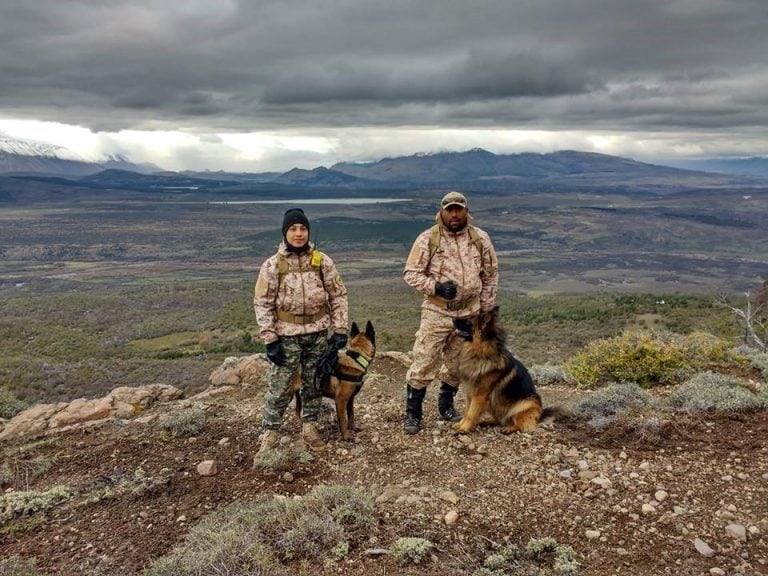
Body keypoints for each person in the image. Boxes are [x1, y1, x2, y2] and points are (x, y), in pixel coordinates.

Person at [253, 208, 349, 455]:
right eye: (293, 229)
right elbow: (262, 302)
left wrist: (339, 328)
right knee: (281, 385)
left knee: (313, 382)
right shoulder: (273, 265)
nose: (298, 233)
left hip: (318, 333)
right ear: (285, 232)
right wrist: (269, 338)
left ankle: (309, 427)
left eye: (303, 228)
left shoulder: (322, 261)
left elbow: (338, 294)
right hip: (286, 334)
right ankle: (271, 432)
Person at [402, 191, 499, 434]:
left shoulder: (480, 238)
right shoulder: (428, 239)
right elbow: (410, 273)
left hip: (469, 314)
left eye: (459, 209)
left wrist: (485, 310)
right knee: (424, 361)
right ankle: (413, 414)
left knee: (458, 365)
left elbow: (490, 274)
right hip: (437, 311)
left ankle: (446, 406)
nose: (454, 214)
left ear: (466, 211)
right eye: (449, 209)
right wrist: (435, 287)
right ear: (442, 211)